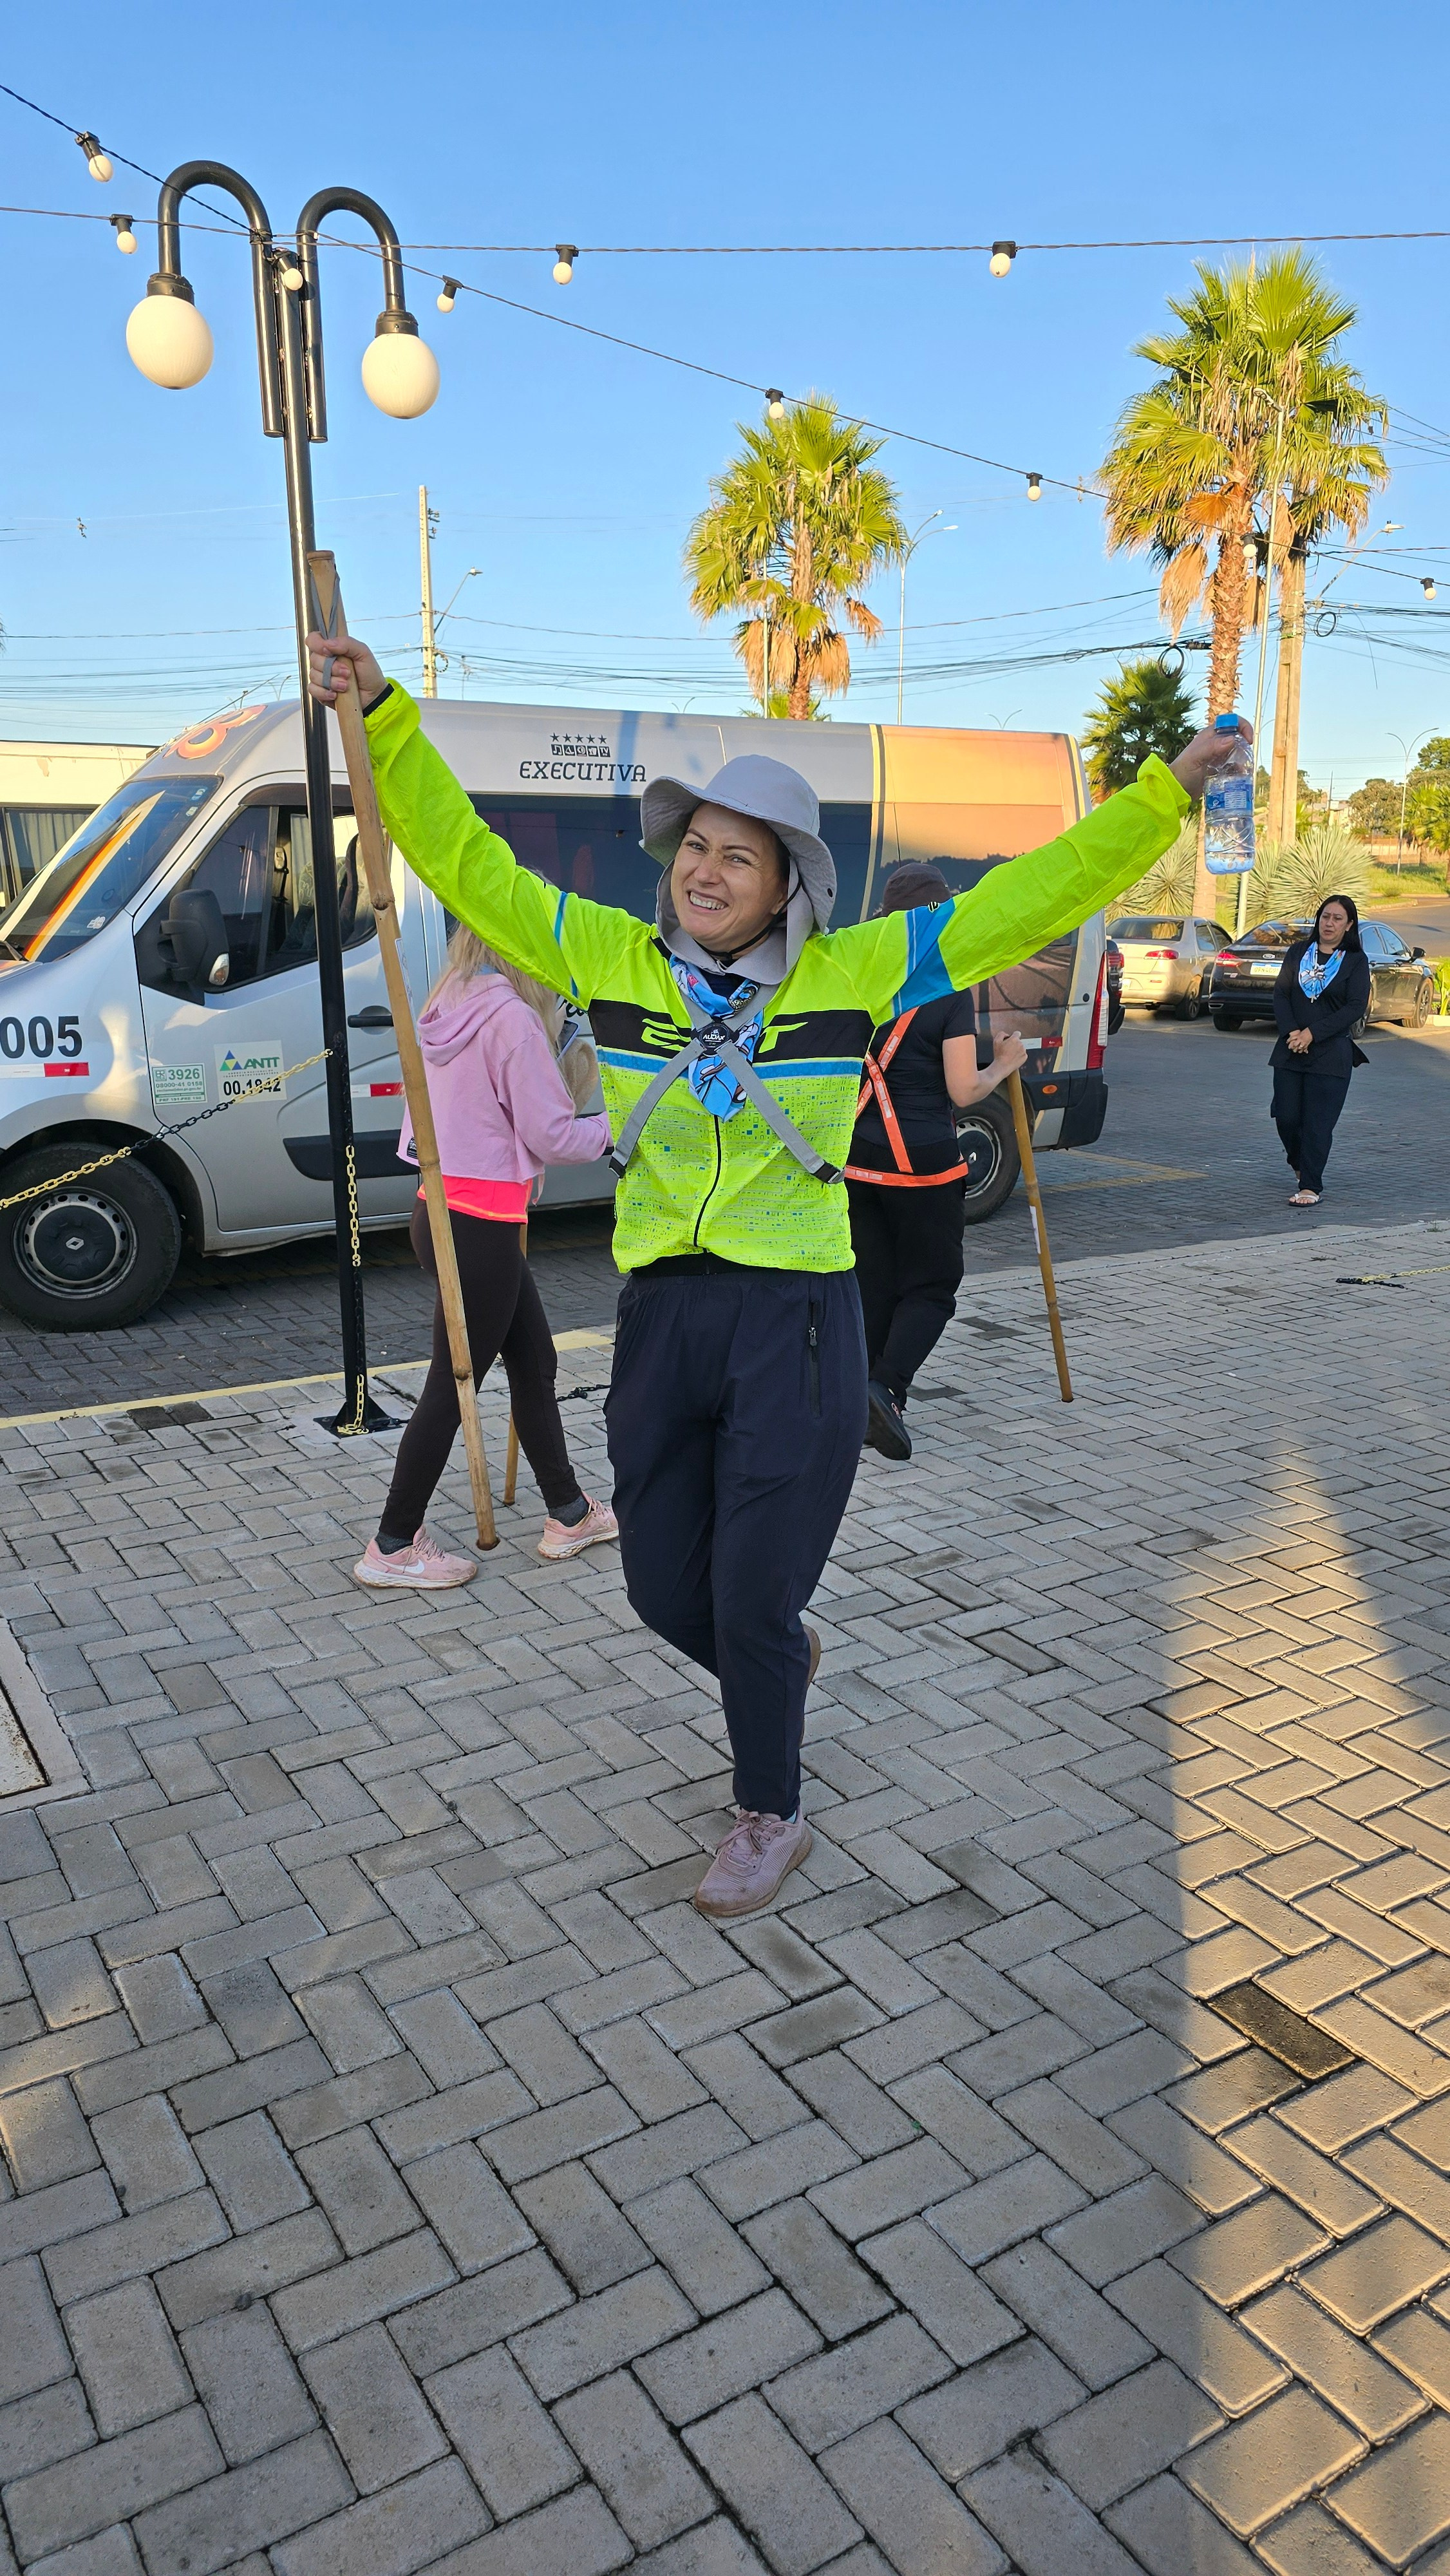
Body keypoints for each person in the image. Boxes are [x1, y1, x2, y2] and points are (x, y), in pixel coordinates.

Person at [309, 621, 1233, 1915]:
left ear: (785, 881)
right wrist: (383, 710)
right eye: (694, 843)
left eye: (735, 853)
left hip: (797, 1319)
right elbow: (462, 856)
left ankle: (768, 1807)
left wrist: (1162, 795)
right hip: (659, 1318)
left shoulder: (856, 969)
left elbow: (1031, 894)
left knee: (749, 1587)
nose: (703, 866)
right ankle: (774, 1660)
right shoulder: (607, 955)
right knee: (652, 1579)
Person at [353, 925, 617, 1590]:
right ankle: (391, 1543)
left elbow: (425, 1122)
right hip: (482, 1224)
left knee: (535, 1361)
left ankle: (567, 1511)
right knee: (452, 1385)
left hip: (440, 1208)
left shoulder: (447, 999)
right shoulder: (512, 1019)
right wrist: (627, 1124)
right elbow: (552, 1133)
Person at [845, 860, 1030, 1460]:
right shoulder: (948, 988)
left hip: (860, 1157)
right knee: (932, 1285)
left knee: (873, 1280)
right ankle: (888, 1389)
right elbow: (962, 1091)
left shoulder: (860, 979)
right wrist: (1005, 1063)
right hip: (924, 1161)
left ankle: (858, 1394)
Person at [1270, 893, 1370, 1208]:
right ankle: (1299, 1164)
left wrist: (1313, 1033)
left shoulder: (1356, 961)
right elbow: (1281, 994)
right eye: (1325, 916)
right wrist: (1293, 1033)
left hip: (1331, 1053)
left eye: (1337, 919)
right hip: (1291, 1048)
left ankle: (1311, 1185)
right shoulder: (1299, 952)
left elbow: (1354, 1006)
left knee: (1317, 1123)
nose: (1329, 923)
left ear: (1349, 925)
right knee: (1286, 1116)